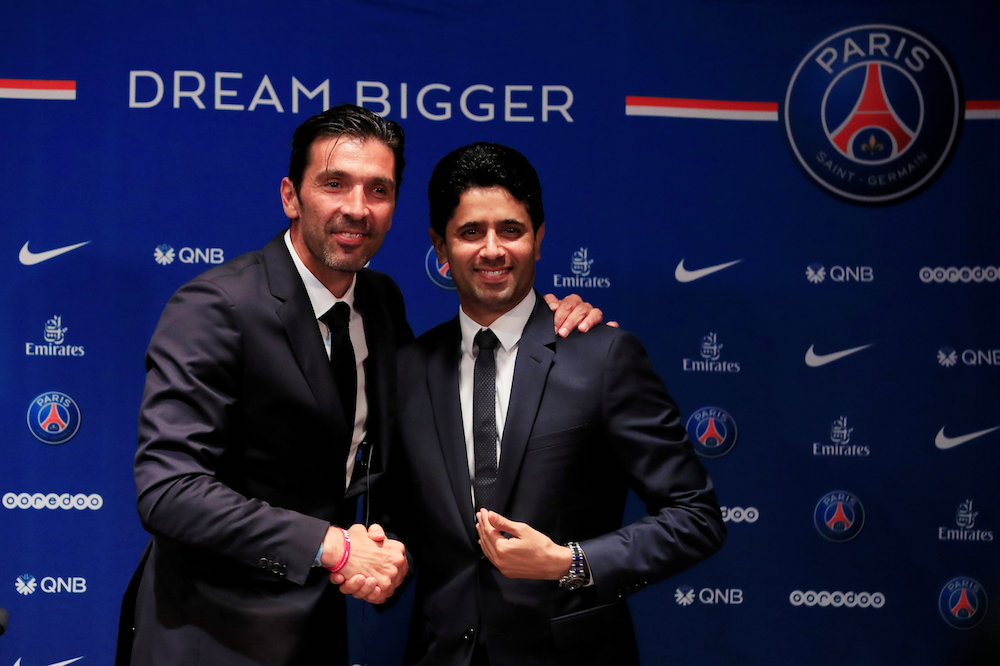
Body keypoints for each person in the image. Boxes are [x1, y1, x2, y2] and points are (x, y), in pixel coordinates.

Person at [117, 106, 603, 666]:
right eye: (334, 184)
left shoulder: (380, 302)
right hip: (209, 631)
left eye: (379, 189)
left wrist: (551, 323)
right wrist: (333, 546)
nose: (356, 208)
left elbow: (423, 416)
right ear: (290, 197)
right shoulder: (216, 307)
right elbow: (169, 490)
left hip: (322, 625)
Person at [378, 142, 726, 665]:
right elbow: (395, 516)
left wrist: (571, 561)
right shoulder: (407, 369)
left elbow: (696, 517)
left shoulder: (603, 356)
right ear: (440, 247)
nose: (492, 249)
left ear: (538, 239)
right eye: (471, 232)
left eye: (511, 230)